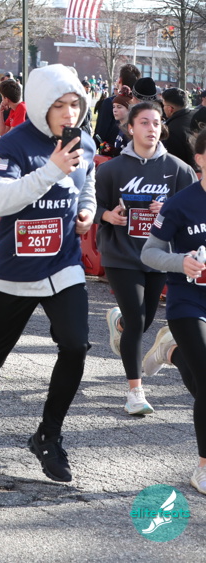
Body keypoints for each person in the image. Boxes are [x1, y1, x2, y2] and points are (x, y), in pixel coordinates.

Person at [0, 64, 96, 483]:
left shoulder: (84, 141)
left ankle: (48, 435)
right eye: (59, 105)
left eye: (75, 104)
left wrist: (86, 210)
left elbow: (87, 182)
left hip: (64, 265)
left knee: (76, 345)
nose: (69, 113)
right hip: (15, 271)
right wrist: (51, 169)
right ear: (39, 106)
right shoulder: (12, 144)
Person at [97, 102, 197, 415]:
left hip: (159, 257)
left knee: (144, 320)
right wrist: (108, 215)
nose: (151, 128)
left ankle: (119, 323)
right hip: (121, 254)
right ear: (130, 128)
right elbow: (92, 205)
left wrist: (169, 211)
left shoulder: (179, 170)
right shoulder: (111, 169)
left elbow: (193, 212)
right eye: (144, 122)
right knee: (139, 322)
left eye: (156, 123)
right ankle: (135, 392)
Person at [140, 129, 206, 494]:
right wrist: (181, 262)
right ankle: (203, 468)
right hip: (187, 303)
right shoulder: (181, 204)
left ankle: (172, 352)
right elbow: (149, 253)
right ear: (200, 159)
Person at [161, 87, 196, 169]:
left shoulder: (171, 131)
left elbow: (173, 163)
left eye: (163, 105)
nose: (163, 108)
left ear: (170, 109)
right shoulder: (198, 116)